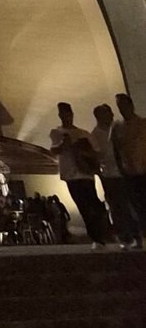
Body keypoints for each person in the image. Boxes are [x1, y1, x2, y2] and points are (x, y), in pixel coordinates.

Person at [49, 103, 111, 244]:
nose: (66, 117)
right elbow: (54, 149)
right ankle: (96, 236)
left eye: (68, 114)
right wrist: (64, 144)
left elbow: (96, 152)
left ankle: (99, 234)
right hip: (71, 175)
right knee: (83, 206)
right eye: (63, 114)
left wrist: (84, 152)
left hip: (85, 173)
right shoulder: (57, 132)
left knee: (92, 203)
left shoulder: (84, 133)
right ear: (60, 116)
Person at [91, 105, 142, 248]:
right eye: (108, 113)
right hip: (110, 175)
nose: (112, 115)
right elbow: (98, 155)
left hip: (126, 171)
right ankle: (125, 237)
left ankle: (136, 235)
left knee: (131, 205)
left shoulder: (118, 128)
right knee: (117, 207)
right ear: (99, 116)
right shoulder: (95, 135)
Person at [116, 95, 146, 237]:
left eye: (124, 105)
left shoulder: (143, 124)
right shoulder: (118, 127)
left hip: (143, 168)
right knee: (137, 205)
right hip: (129, 172)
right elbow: (116, 149)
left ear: (131, 105)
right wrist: (121, 168)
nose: (122, 109)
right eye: (119, 106)